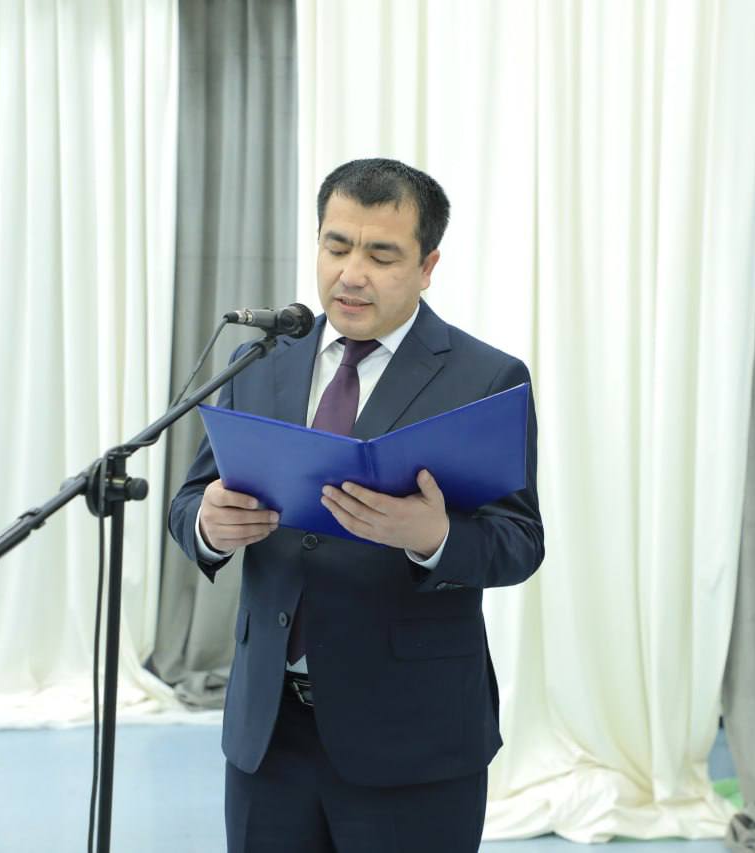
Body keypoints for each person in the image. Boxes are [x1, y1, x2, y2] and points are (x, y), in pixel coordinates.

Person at [168, 158, 544, 852]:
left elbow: (519, 541)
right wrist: (208, 525)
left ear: (428, 266)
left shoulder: (486, 377)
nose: (351, 273)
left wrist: (434, 536)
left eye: (382, 255)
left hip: (411, 739)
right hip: (267, 733)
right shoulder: (263, 361)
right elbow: (191, 499)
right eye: (336, 246)